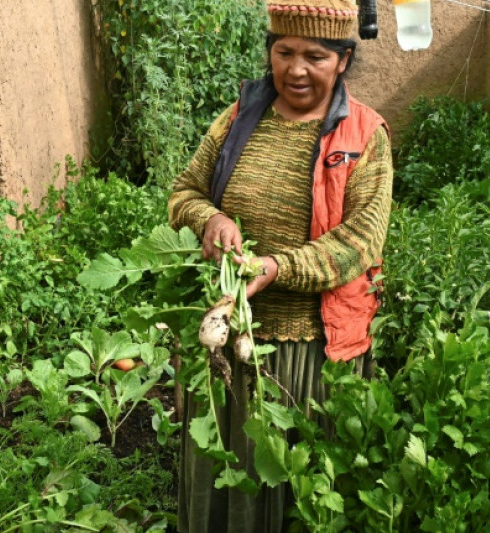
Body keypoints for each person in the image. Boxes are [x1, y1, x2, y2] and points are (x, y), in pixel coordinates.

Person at [167, 1, 392, 530]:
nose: (295, 69)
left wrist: (275, 267)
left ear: (343, 59)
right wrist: (211, 219)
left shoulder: (364, 134)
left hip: (309, 350)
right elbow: (184, 192)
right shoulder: (240, 116)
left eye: (315, 55)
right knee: (229, 468)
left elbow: (361, 242)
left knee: (299, 486)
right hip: (231, 338)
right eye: (283, 51)